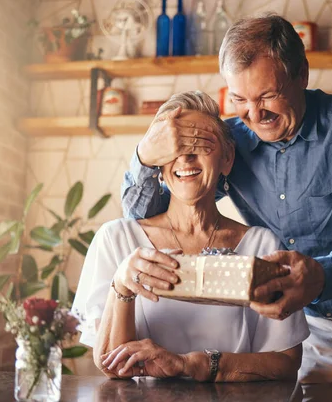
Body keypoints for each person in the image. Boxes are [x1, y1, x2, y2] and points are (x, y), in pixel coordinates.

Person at [120, 14, 332, 402]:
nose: (253, 115)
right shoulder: (232, 144)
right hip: (310, 327)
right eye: (239, 100)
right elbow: (142, 217)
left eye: (267, 96)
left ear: (301, 74)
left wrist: (320, 275)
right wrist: (145, 154)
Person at [74, 91, 309, 383]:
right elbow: (112, 365)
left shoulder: (262, 246)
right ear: (157, 164)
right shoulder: (116, 240)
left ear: (227, 159)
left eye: (200, 143)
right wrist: (122, 285)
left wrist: (193, 365)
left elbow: (286, 362)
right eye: (174, 146)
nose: (185, 157)